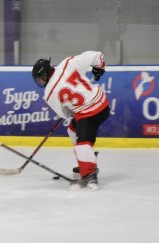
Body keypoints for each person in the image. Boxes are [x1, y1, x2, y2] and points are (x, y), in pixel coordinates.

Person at [32, 51, 110, 190]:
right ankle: (86, 159)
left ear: (46, 73)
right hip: (103, 105)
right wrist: (99, 69)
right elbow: (97, 56)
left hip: (89, 114)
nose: (41, 82)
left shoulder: (49, 93)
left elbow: (66, 114)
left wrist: (72, 109)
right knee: (73, 129)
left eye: (41, 78)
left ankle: (89, 175)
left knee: (82, 144)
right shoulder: (67, 63)